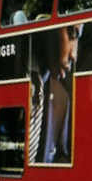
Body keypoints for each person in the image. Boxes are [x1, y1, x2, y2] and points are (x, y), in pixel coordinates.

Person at [28, 24, 80, 164]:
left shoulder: (62, 98)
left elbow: (62, 157)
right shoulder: (11, 77)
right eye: (72, 34)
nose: (74, 55)